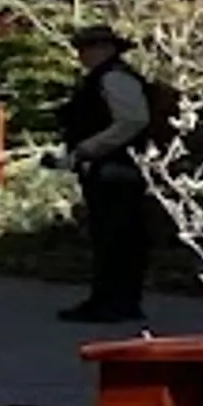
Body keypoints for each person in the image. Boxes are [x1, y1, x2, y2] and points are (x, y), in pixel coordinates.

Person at [55, 26, 156, 325]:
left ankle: (117, 303)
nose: (82, 55)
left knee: (117, 238)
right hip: (111, 169)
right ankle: (108, 300)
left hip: (116, 170)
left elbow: (133, 120)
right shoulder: (107, 77)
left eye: (87, 48)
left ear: (105, 48)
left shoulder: (114, 77)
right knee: (110, 238)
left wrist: (89, 148)